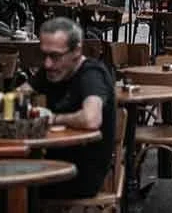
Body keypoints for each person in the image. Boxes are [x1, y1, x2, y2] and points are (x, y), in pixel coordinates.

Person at [23, 17, 115, 200]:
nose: (48, 63)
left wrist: (52, 119)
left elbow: (91, 119)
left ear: (76, 51)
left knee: (7, 186)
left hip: (79, 175)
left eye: (56, 56)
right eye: (44, 55)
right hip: (50, 164)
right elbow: (20, 94)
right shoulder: (51, 72)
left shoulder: (92, 75)